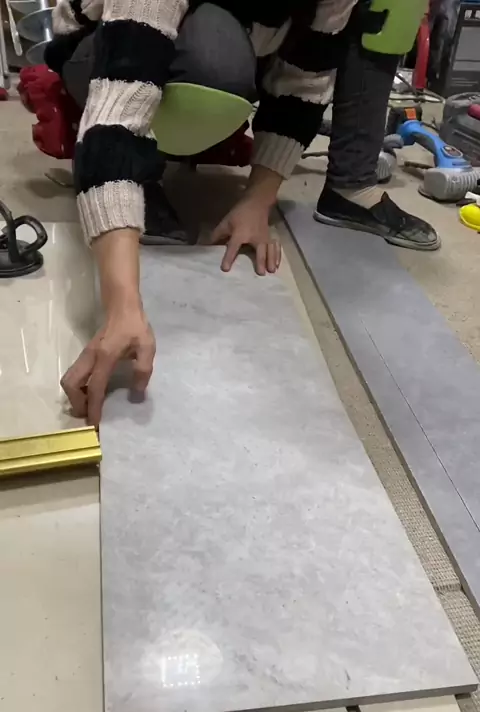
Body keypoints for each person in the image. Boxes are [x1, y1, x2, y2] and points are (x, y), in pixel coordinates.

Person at [46, 0, 439, 428]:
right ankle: (145, 172)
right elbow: (117, 110)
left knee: (227, 56)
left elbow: (304, 82)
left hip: (234, 25)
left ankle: (182, 132)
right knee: (214, 60)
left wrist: (258, 199)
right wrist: (122, 305)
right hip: (97, 45)